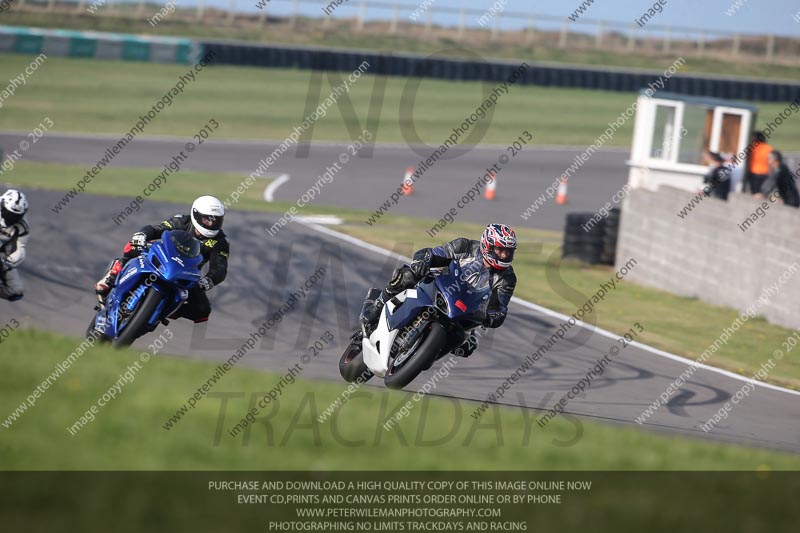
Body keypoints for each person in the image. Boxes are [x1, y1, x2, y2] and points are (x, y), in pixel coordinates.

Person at [362, 223, 518, 357]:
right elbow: (432, 253)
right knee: (408, 275)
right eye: (500, 250)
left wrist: (493, 317)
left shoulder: (507, 278)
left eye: (508, 251)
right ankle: (377, 306)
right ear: (487, 245)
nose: (504, 255)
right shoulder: (465, 246)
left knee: (468, 346)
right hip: (440, 284)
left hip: (464, 310)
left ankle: (427, 354)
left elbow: (499, 306)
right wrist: (422, 262)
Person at [95, 196, 229, 323]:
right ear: (196, 215)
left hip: (186, 274)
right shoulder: (182, 220)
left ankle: (164, 312)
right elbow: (155, 229)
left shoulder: (221, 241)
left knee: (203, 310)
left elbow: (220, 268)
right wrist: (142, 235)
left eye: (216, 220)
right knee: (133, 246)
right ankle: (111, 277)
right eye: (207, 219)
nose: (211, 223)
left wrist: (208, 280)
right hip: (162, 258)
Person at [0, 189, 29, 302]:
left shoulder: (22, 227)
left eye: (15, 216)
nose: (11, 218)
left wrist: (9, 261)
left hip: (2, 257)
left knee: (15, 292)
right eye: (9, 214)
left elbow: (20, 249)